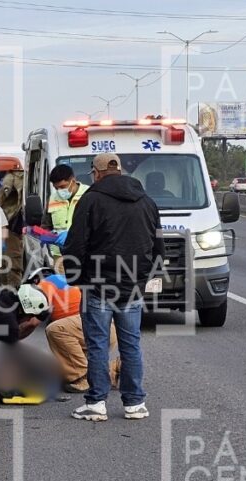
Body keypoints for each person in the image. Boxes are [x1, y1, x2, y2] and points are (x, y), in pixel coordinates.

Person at [62, 153, 163, 421]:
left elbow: (76, 243)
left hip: (97, 286)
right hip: (132, 288)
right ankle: (134, 404)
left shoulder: (91, 200)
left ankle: (96, 403)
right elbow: (158, 247)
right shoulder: (147, 202)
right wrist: (144, 279)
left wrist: (75, 277)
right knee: (131, 345)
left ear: (96, 173)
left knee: (97, 345)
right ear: (120, 171)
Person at [31, 270, 120, 393]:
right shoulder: (67, 279)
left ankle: (83, 377)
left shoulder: (45, 284)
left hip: (87, 326)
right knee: (62, 368)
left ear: (36, 280)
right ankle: (112, 370)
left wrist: (14, 335)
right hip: (106, 329)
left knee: (55, 329)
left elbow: (33, 322)